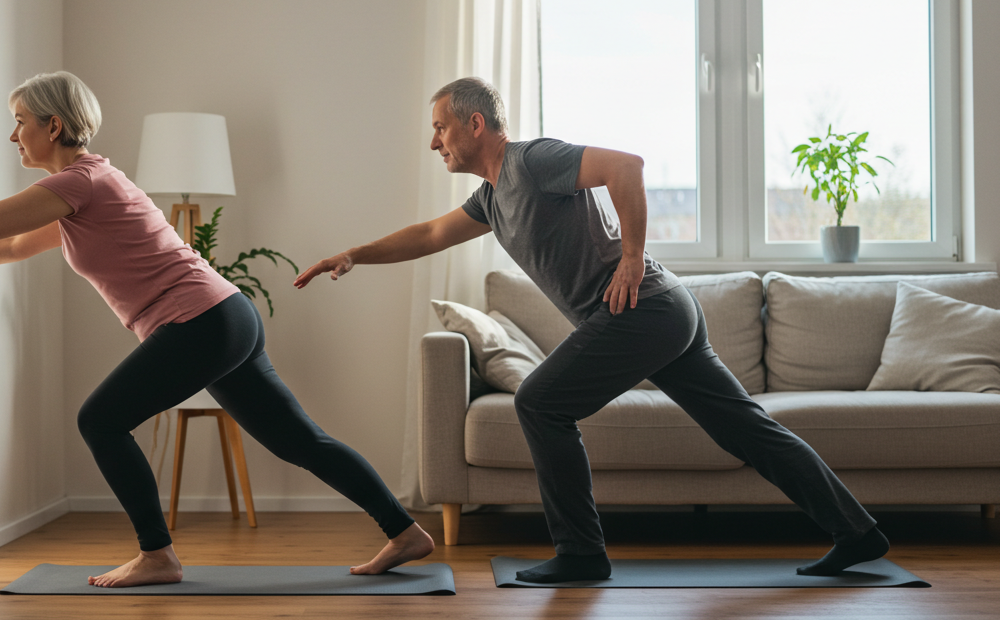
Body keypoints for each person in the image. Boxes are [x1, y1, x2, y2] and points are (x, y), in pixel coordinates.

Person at [0, 70, 433, 587]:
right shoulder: (87, 186)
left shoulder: (77, 183)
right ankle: (405, 533)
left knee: (100, 420)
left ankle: (156, 554)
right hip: (226, 315)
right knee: (300, 441)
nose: (13, 134)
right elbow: (9, 245)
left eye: (19, 122)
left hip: (200, 320)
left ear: (53, 126)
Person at [294, 76, 889, 583]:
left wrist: (633, 256)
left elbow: (624, 166)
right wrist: (353, 254)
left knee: (540, 402)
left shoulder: (532, 159)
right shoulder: (492, 198)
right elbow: (427, 236)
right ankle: (857, 531)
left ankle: (580, 551)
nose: (433, 142)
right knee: (746, 430)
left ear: (475, 124)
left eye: (440, 128)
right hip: (660, 314)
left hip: (645, 309)